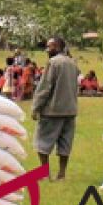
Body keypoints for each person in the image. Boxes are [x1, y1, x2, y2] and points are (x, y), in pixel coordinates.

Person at [32, 37, 80, 181]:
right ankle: (62, 174)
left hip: (52, 110)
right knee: (65, 143)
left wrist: (36, 107)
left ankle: (45, 174)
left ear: (58, 47)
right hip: (70, 109)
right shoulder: (72, 63)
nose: (47, 49)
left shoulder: (53, 63)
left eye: (50, 46)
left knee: (42, 142)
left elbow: (45, 87)